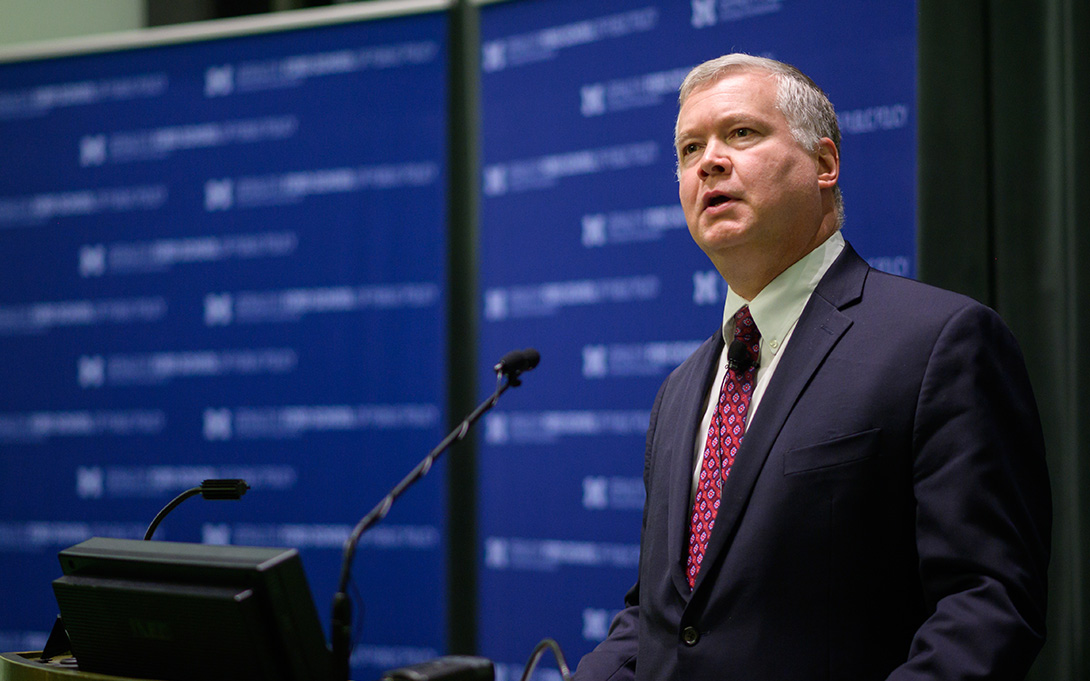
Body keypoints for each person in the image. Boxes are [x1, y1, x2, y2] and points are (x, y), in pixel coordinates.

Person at [572, 54, 1051, 681]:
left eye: (741, 133)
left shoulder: (938, 342)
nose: (709, 160)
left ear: (824, 164)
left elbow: (987, 604)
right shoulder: (680, 391)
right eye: (690, 148)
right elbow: (661, 618)